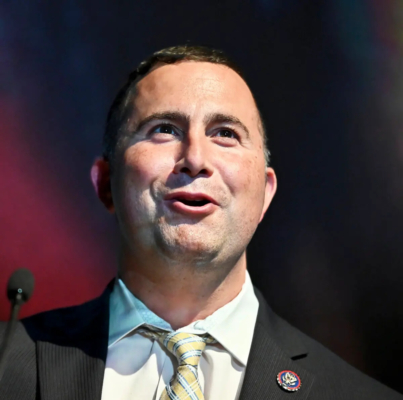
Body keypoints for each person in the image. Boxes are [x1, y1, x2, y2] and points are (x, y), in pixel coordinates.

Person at [0, 45, 401, 400]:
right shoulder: (8, 365)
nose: (195, 158)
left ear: (265, 193)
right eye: (163, 130)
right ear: (106, 184)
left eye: (225, 133)